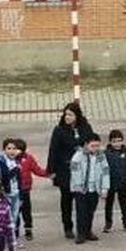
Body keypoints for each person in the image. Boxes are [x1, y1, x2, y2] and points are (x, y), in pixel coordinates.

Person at [48, 101, 94, 239]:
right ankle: (68, 226)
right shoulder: (59, 130)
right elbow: (53, 150)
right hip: (65, 170)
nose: (67, 117)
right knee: (66, 200)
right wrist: (51, 169)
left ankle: (86, 229)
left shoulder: (86, 128)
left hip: (82, 169)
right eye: (65, 114)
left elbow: (92, 145)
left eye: (70, 114)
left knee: (84, 200)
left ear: (77, 115)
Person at [69, 133, 110, 245]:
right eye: (93, 146)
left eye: (97, 146)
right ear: (86, 145)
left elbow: (105, 171)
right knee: (81, 212)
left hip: (94, 188)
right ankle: (80, 233)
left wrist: (104, 188)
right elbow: (74, 172)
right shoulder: (78, 156)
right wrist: (79, 185)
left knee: (90, 211)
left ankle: (88, 231)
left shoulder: (101, 156)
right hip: (81, 189)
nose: (95, 148)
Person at [102, 129, 126, 233]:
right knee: (109, 204)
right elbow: (102, 169)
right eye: (114, 141)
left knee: (124, 203)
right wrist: (104, 183)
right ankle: (108, 223)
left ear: (122, 141)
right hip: (110, 184)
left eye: (119, 141)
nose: (117, 143)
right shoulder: (105, 154)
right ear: (110, 142)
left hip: (123, 184)